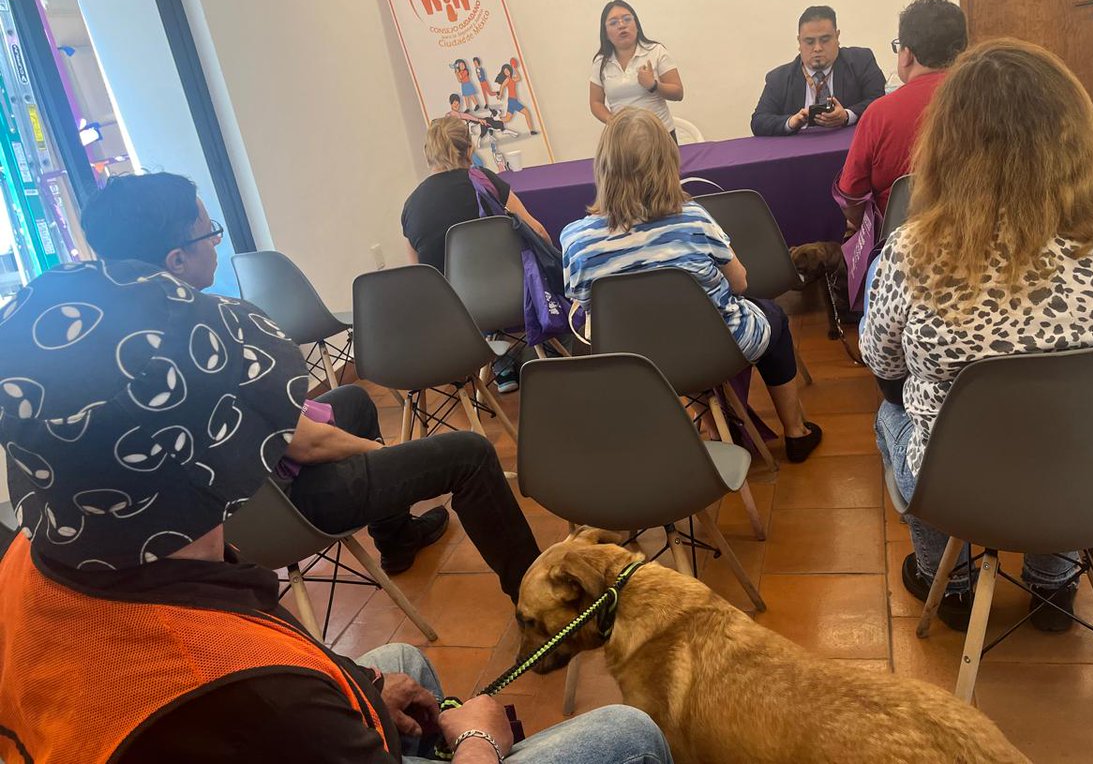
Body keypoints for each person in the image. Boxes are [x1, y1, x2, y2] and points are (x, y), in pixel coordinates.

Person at [0, 262, 674, 763]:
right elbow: (258, 692)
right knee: (628, 735)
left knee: (400, 661)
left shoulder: (29, 558)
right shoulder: (244, 684)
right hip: (236, 717)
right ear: (204, 459)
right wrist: (477, 740)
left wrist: (360, 689)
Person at [860, 38, 1093, 632]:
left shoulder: (915, 250)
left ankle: (951, 583)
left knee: (892, 413)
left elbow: (878, 355)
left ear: (947, 145)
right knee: (1069, 408)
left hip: (967, 485)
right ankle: (1053, 585)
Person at [80, 172, 540, 592]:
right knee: (470, 454)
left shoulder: (116, 335)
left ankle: (397, 538)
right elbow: (307, 446)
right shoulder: (203, 335)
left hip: (232, 510)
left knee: (353, 401)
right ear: (176, 259)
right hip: (285, 506)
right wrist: (389, 455)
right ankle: (537, 600)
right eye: (209, 232)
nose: (217, 242)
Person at [561, 107, 823, 462]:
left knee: (667, 332)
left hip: (636, 363)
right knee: (773, 316)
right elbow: (741, 283)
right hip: (715, 349)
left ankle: (712, 428)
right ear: (668, 163)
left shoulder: (576, 239)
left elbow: (583, 304)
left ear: (603, 167)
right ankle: (796, 432)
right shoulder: (693, 219)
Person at [403, 118, 552, 393]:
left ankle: (500, 363)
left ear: (428, 153)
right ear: (469, 149)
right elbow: (538, 230)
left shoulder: (412, 205)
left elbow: (418, 276)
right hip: (513, 297)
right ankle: (548, 353)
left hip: (456, 315)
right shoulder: (484, 181)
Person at [834, 0, 967, 227]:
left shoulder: (879, 113)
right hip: (983, 239)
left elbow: (851, 199)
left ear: (907, 54)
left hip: (899, 245)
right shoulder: (989, 102)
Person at [750, 5, 885, 136]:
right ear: (799, 42)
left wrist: (847, 115)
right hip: (800, 152)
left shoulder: (860, 61)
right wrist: (791, 122)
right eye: (809, 42)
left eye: (825, 40)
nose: (817, 48)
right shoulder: (779, 78)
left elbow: (880, 102)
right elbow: (759, 121)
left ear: (837, 37)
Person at [589, 0, 684, 142]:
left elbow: (678, 93)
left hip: (660, 136)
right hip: (623, 139)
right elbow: (596, 102)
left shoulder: (656, 51)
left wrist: (654, 85)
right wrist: (612, 121)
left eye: (627, 19)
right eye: (613, 23)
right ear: (606, 33)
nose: (621, 25)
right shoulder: (601, 62)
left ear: (637, 25)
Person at [495, 61, 539, 135]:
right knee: (527, 113)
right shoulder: (507, 79)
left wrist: (515, 68)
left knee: (507, 118)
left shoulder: (512, 78)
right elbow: (502, 86)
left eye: (507, 70)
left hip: (512, 101)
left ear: (510, 70)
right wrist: (500, 95)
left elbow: (519, 78)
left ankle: (493, 122)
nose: (506, 72)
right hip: (513, 101)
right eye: (505, 71)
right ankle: (531, 130)